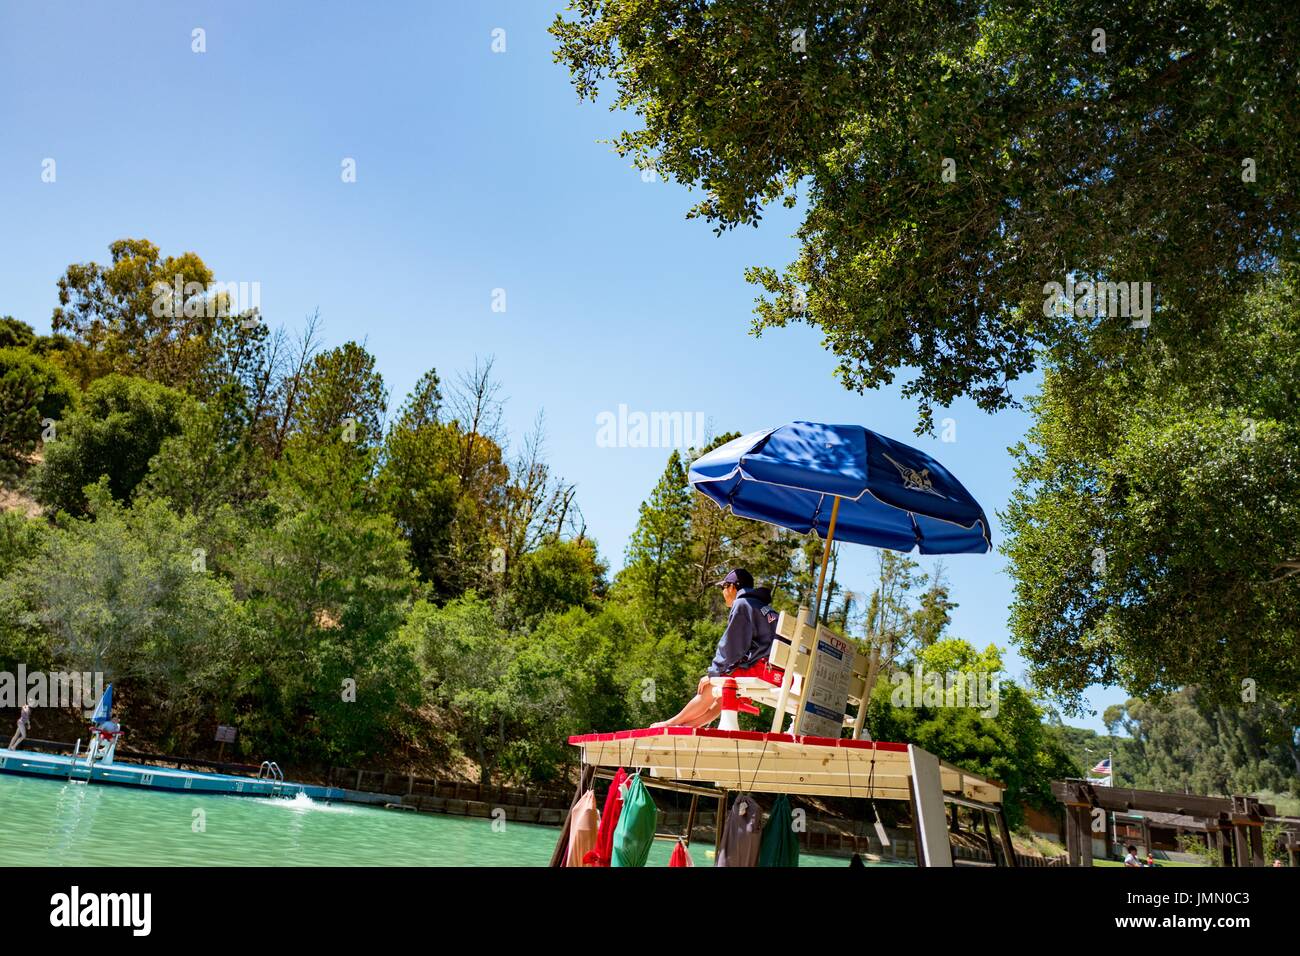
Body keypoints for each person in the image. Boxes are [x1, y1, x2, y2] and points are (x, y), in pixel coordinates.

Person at [650, 569, 779, 729]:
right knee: (723, 694)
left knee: (712, 685)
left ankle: (671, 723)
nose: (723, 592)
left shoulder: (742, 604)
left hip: (764, 670)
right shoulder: (765, 609)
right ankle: (687, 726)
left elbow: (732, 646)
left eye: (723, 587)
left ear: (732, 587)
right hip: (778, 673)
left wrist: (714, 674)